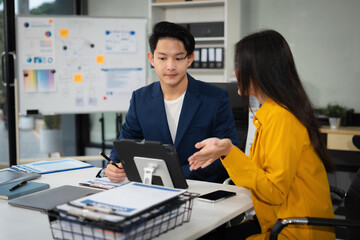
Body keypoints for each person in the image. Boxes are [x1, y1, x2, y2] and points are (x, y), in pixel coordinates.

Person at [188, 30, 335, 239]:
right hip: (276, 220)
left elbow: (273, 191)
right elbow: (259, 176)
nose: (234, 74)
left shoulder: (281, 118)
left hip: (292, 230)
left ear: (259, 70)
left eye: (239, 67)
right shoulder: (272, 113)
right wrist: (225, 149)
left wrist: (229, 152)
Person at [103, 21, 239, 184]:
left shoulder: (215, 99)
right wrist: (114, 165)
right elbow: (126, 143)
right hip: (156, 188)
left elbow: (229, 153)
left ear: (190, 59)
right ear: (151, 59)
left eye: (178, 58)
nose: (170, 66)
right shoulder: (141, 98)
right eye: (162, 58)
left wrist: (176, 174)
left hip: (203, 188)